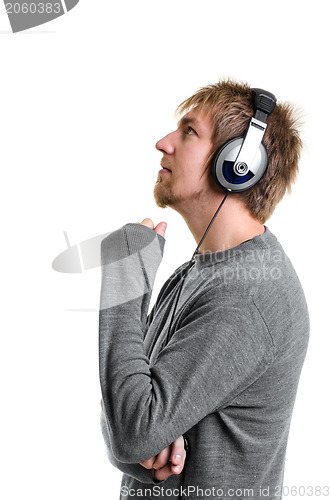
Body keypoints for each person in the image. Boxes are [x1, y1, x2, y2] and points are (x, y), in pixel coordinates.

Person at [98, 78, 310, 500]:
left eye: (189, 131)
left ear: (238, 164)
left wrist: (125, 278)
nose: (163, 143)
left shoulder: (244, 296)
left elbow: (131, 428)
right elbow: (128, 409)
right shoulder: (199, 272)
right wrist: (145, 435)